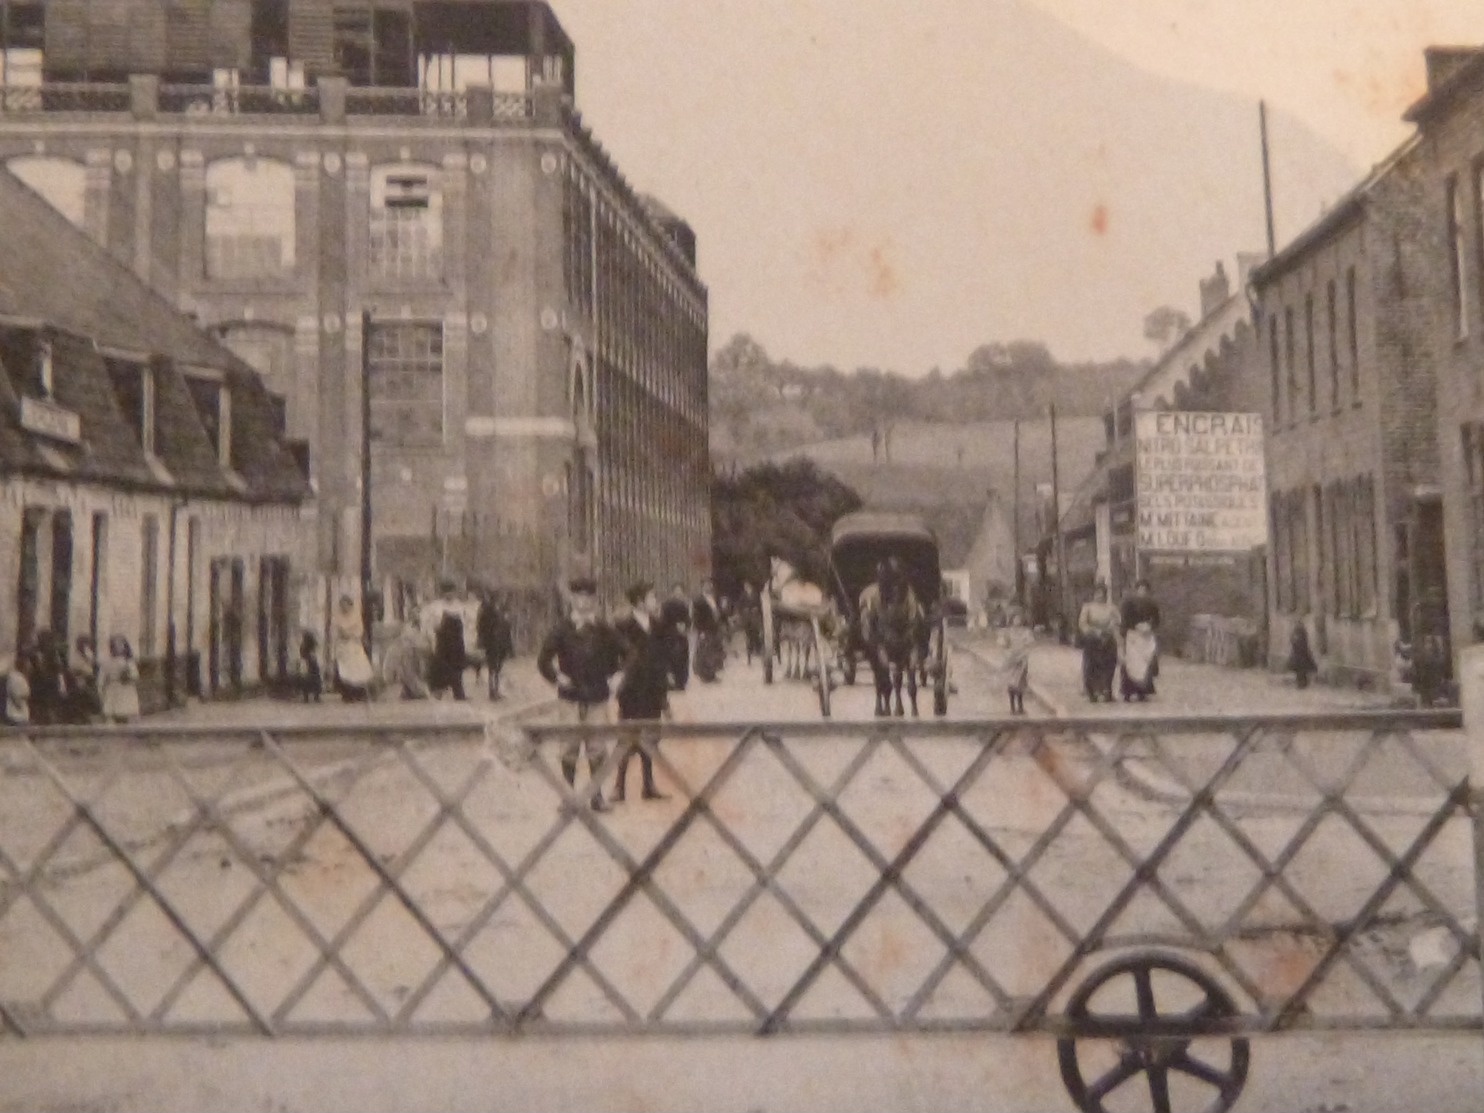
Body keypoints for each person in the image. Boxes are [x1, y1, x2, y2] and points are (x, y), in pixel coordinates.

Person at [537, 576, 627, 813]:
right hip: (570, 697)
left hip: (597, 696)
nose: (583, 601)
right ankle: (568, 797)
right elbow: (543, 660)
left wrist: (617, 675)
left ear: (595, 600)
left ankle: (596, 797)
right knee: (568, 747)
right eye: (578, 596)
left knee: (597, 747)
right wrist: (557, 677)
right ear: (572, 599)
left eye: (588, 597)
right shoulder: (562, 628)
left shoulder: (604, 629)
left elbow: (629, 653)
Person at [612, 581, 671, 804]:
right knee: (627, 736)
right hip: (632, 689)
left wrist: (665, 688)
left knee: (651, 737)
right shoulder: (623, 626)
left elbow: (663, 656)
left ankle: (648, 784)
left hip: (653, 688)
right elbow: (615, 655)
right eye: (652, 597)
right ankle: (619, 785)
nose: (655, 601)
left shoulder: (658, 625)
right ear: (639, 601)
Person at [422, 579, 469, 700]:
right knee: (441, 667)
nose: (450, 595)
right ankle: (438, 693)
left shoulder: (459, 605)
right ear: (442, 593)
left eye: (452, 592)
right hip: (443, 642)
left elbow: (465, 623)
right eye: (447, 592)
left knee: (457, 668)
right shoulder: (436, 606)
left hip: (457, 642)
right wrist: (430, 635)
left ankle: (459, 693)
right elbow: (427, 623)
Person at [1119, 578, 1161, 702]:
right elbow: (1125, 619)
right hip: (1133, 635)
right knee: (1131, 663)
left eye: (1145, 589)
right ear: (1136, 590)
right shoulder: (1128, 603)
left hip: (1146, 636)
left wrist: (1150, 626)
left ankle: (1142, 691)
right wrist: (1133, 626)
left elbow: (1157, 620)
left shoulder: (1152, 604)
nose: (1143, 592)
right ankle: (1127, 691)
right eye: (1140, 589)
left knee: (1145, 662)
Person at [1077, 582, 1120, 703]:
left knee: (1109, 664)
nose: (1100, 596)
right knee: (1092, 666)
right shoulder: (1088, 607)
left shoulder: (1111, 608)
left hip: (1108, 638)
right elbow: (1082, 624)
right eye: (1098, 594)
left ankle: (1107, 690)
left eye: (1102, 594)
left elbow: (1117, 621)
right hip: (1092, 640)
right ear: (1094, 595)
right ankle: (1092, 692)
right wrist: (1095, 632)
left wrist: (1110, 629)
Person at [331, 595, 373, 702]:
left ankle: (358, 692)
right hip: (343, 646)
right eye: (342, 606)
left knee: (357, 669)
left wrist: (350, 634)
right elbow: (336, 631)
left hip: (353, 645)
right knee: (344, 671)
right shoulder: (338, 618)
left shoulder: (355, 617)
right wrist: (341, 635)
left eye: (346, 605)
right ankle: (346, 693)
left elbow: (359, 631)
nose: (344, 608)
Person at [381, 611, 431, 700]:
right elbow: (408, 673)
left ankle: (413, 690)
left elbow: (423, 646)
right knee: (407, 657)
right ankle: (414, 690)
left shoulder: (409, 638)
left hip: (401, 674)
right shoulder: (407, 640)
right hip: (397, 676)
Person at [476, 588, 514, 701]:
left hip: (502, 642)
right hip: (492, 642)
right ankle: (492, 691)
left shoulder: (502, 610)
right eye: (500, 597)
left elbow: (507, 628)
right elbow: (481, 627)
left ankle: (496, 690)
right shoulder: (488, 610)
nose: (502, 599)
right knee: (492, 667)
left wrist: (509, 646)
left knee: (498, 667)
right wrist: (483, 640)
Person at [997, 606, 1034, 715]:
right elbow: (1002, 645)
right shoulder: (1007, 632)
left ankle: (1021, 706)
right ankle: (1012, 706)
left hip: (1021, 660)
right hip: (1011, 660)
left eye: (1019, 618)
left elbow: (1029, 645)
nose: (1017, 621)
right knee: (1011, 683)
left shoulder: (1026, 632)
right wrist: (1007, 654)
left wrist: (1024, 656)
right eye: (1015, 618)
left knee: (1021, 683)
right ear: (1011, 619)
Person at [27, 630, 67, 726]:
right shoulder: (35, 653)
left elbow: (58, 669)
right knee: (40, 705)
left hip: (49, 683)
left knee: (48, 704)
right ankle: (41, 720)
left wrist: (61, 684)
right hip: (39, 683)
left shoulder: (52, 653)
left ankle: (48, 720)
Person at [99, 634, 142, 723]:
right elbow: (102, 676)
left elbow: (135, 675)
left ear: (125, 646)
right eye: (115, 645)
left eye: (120, 645)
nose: (117, 648)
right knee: (112, 713)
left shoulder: (128, 661)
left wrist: (128, 676)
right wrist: (101, 688)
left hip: (126, 689)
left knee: (127, 713)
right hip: (113, 689)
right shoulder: (107, 662)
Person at [691, 577, 726, 683]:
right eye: (706, 585)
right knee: (705, 653)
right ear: (702, 587)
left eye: (710, 584)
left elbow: (720, 613)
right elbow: (696, 617)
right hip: (705, 629)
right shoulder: (698, 600)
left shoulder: (715, 598)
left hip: (715, 628)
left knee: (715, 652)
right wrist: (700, 631)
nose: (708, 586)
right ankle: (705, 675)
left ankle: (712, 674)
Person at [660, 584, 691, 691]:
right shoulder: (666, 605)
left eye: (680, 592)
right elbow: (663, 622)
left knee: (683, 659)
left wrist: (685, 626)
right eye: (677, 592)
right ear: (672, 593)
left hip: (681, 636)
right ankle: (673, 682)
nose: (679, 594)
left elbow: (688, 620)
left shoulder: (684, 605)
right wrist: (674, 628)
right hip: (670, 636)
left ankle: (681, 681)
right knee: (672, 660)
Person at [64, 635, 102, 724]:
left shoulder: (88, 655)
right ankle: (79, 716)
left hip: (89, 679)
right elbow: (72, 668)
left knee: (90, 698)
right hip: (79, 679)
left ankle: (88, 714)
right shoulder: (74, 656)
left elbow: (94, 664)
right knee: (80, 698)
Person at [1, 653, 31, 726]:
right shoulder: (16, 678)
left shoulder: (16, 677)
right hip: (16, 714)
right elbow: (16, 695)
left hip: (17, 712)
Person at [739, 581, 765, 666]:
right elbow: (740, 606)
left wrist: (756, 608)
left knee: (757, 633)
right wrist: (744, 610)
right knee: (749, 636)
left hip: (755, 617)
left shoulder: (756, 595)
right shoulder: (743, 595)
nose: (747, 587)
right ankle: (749, 655)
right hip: (747, 618)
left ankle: (758, 648)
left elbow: (760, 605)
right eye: (746, 586)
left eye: (748, 586)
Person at [1288, 621, 1317, 691]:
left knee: (1301, 671)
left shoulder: (1299, 633)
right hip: (1300, 655)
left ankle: (1302, 683)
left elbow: (1299, 643)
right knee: (1301, 671)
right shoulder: (1299, 633)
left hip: (1300, 655)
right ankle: (1302, 683)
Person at [298, 630, 323, 702]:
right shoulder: (311, 646)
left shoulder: (304, 646)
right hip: (312, 665)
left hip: (307, 665)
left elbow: (302, 654)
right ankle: (316, 696)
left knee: (306, 681)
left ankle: (306, 697)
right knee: (315, 680)